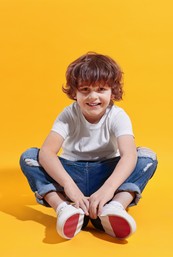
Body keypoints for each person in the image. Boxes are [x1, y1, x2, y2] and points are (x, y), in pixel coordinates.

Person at [19, 52, 158, 240]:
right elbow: (47, 153)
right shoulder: (68, 114)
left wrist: (108, 189)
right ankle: (64, 208)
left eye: (101, 89)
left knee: (146, 157)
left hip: (106, 175)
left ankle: (114, 206)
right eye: (85, 89)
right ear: (74, 92)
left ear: (113, 91)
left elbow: (129, 155)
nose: (93, 96)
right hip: (71, 175)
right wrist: (69, 186)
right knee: (30, 156)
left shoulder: (117, 116)